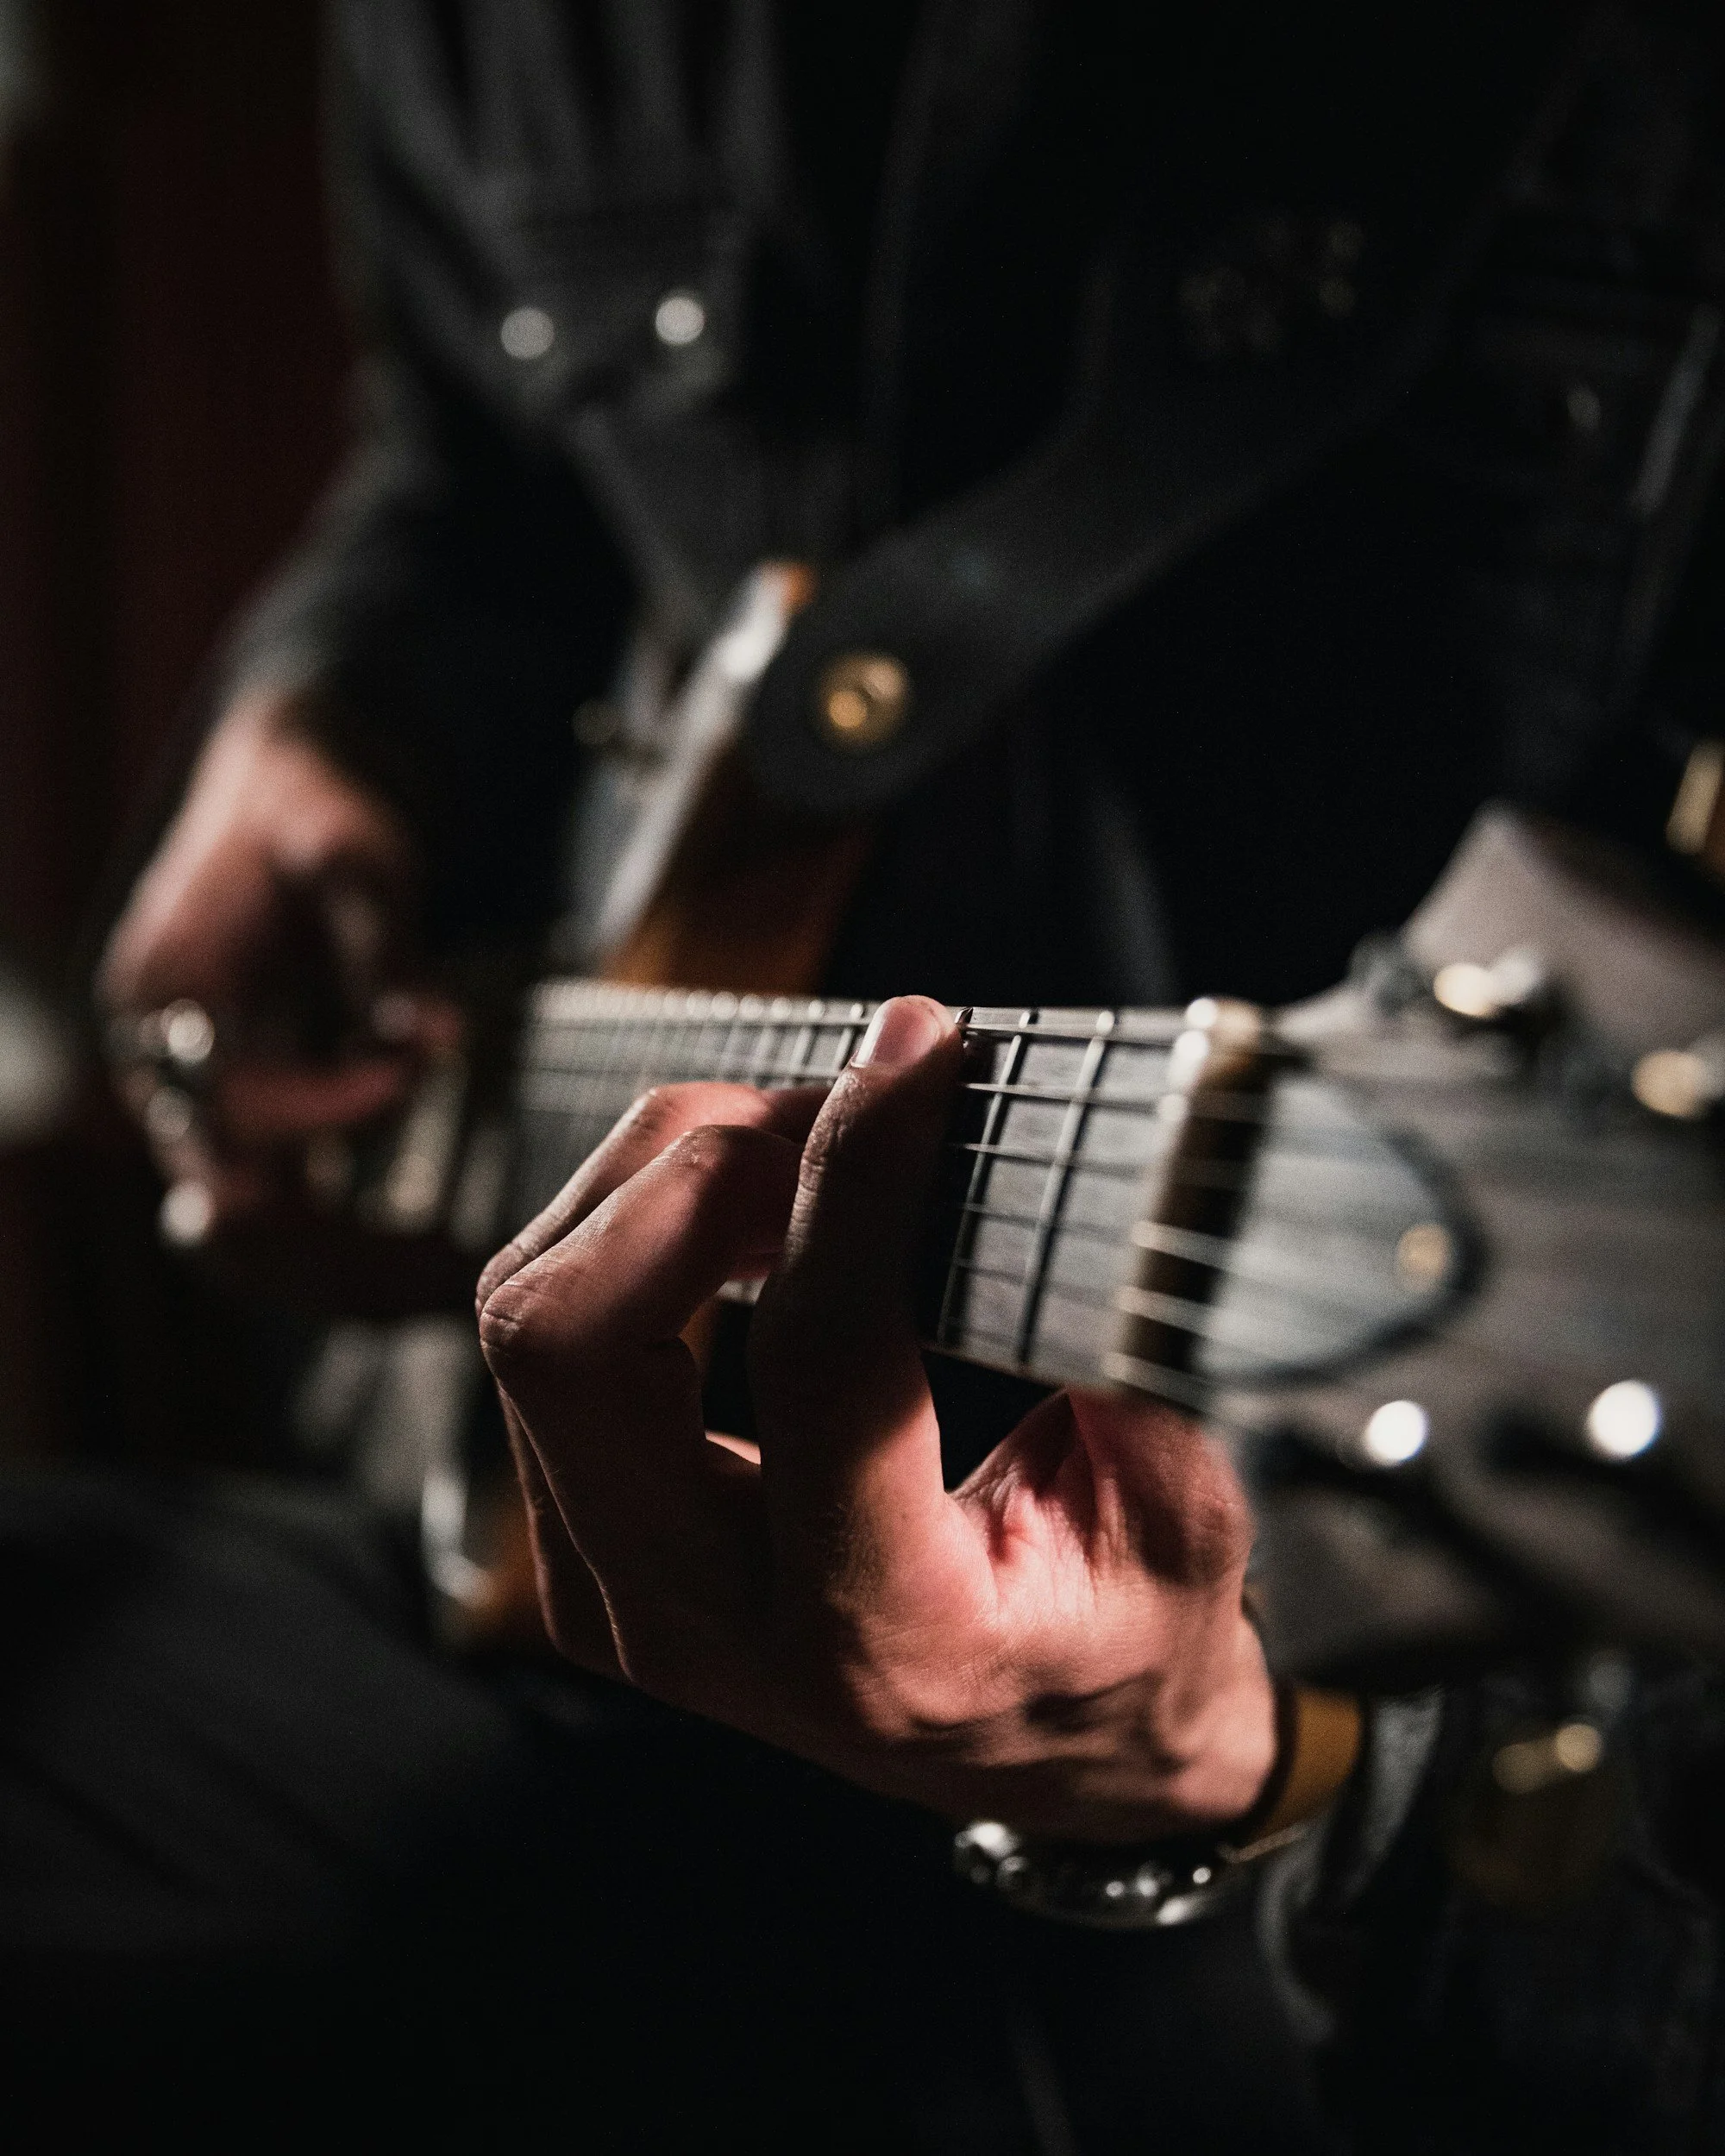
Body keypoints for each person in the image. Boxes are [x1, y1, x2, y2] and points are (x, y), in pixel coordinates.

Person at [18, 2, 1725, 2147]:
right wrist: (325, 729)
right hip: (562, 1592)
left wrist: (1246, 1753)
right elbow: (469, 470)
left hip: (1318, 1845)